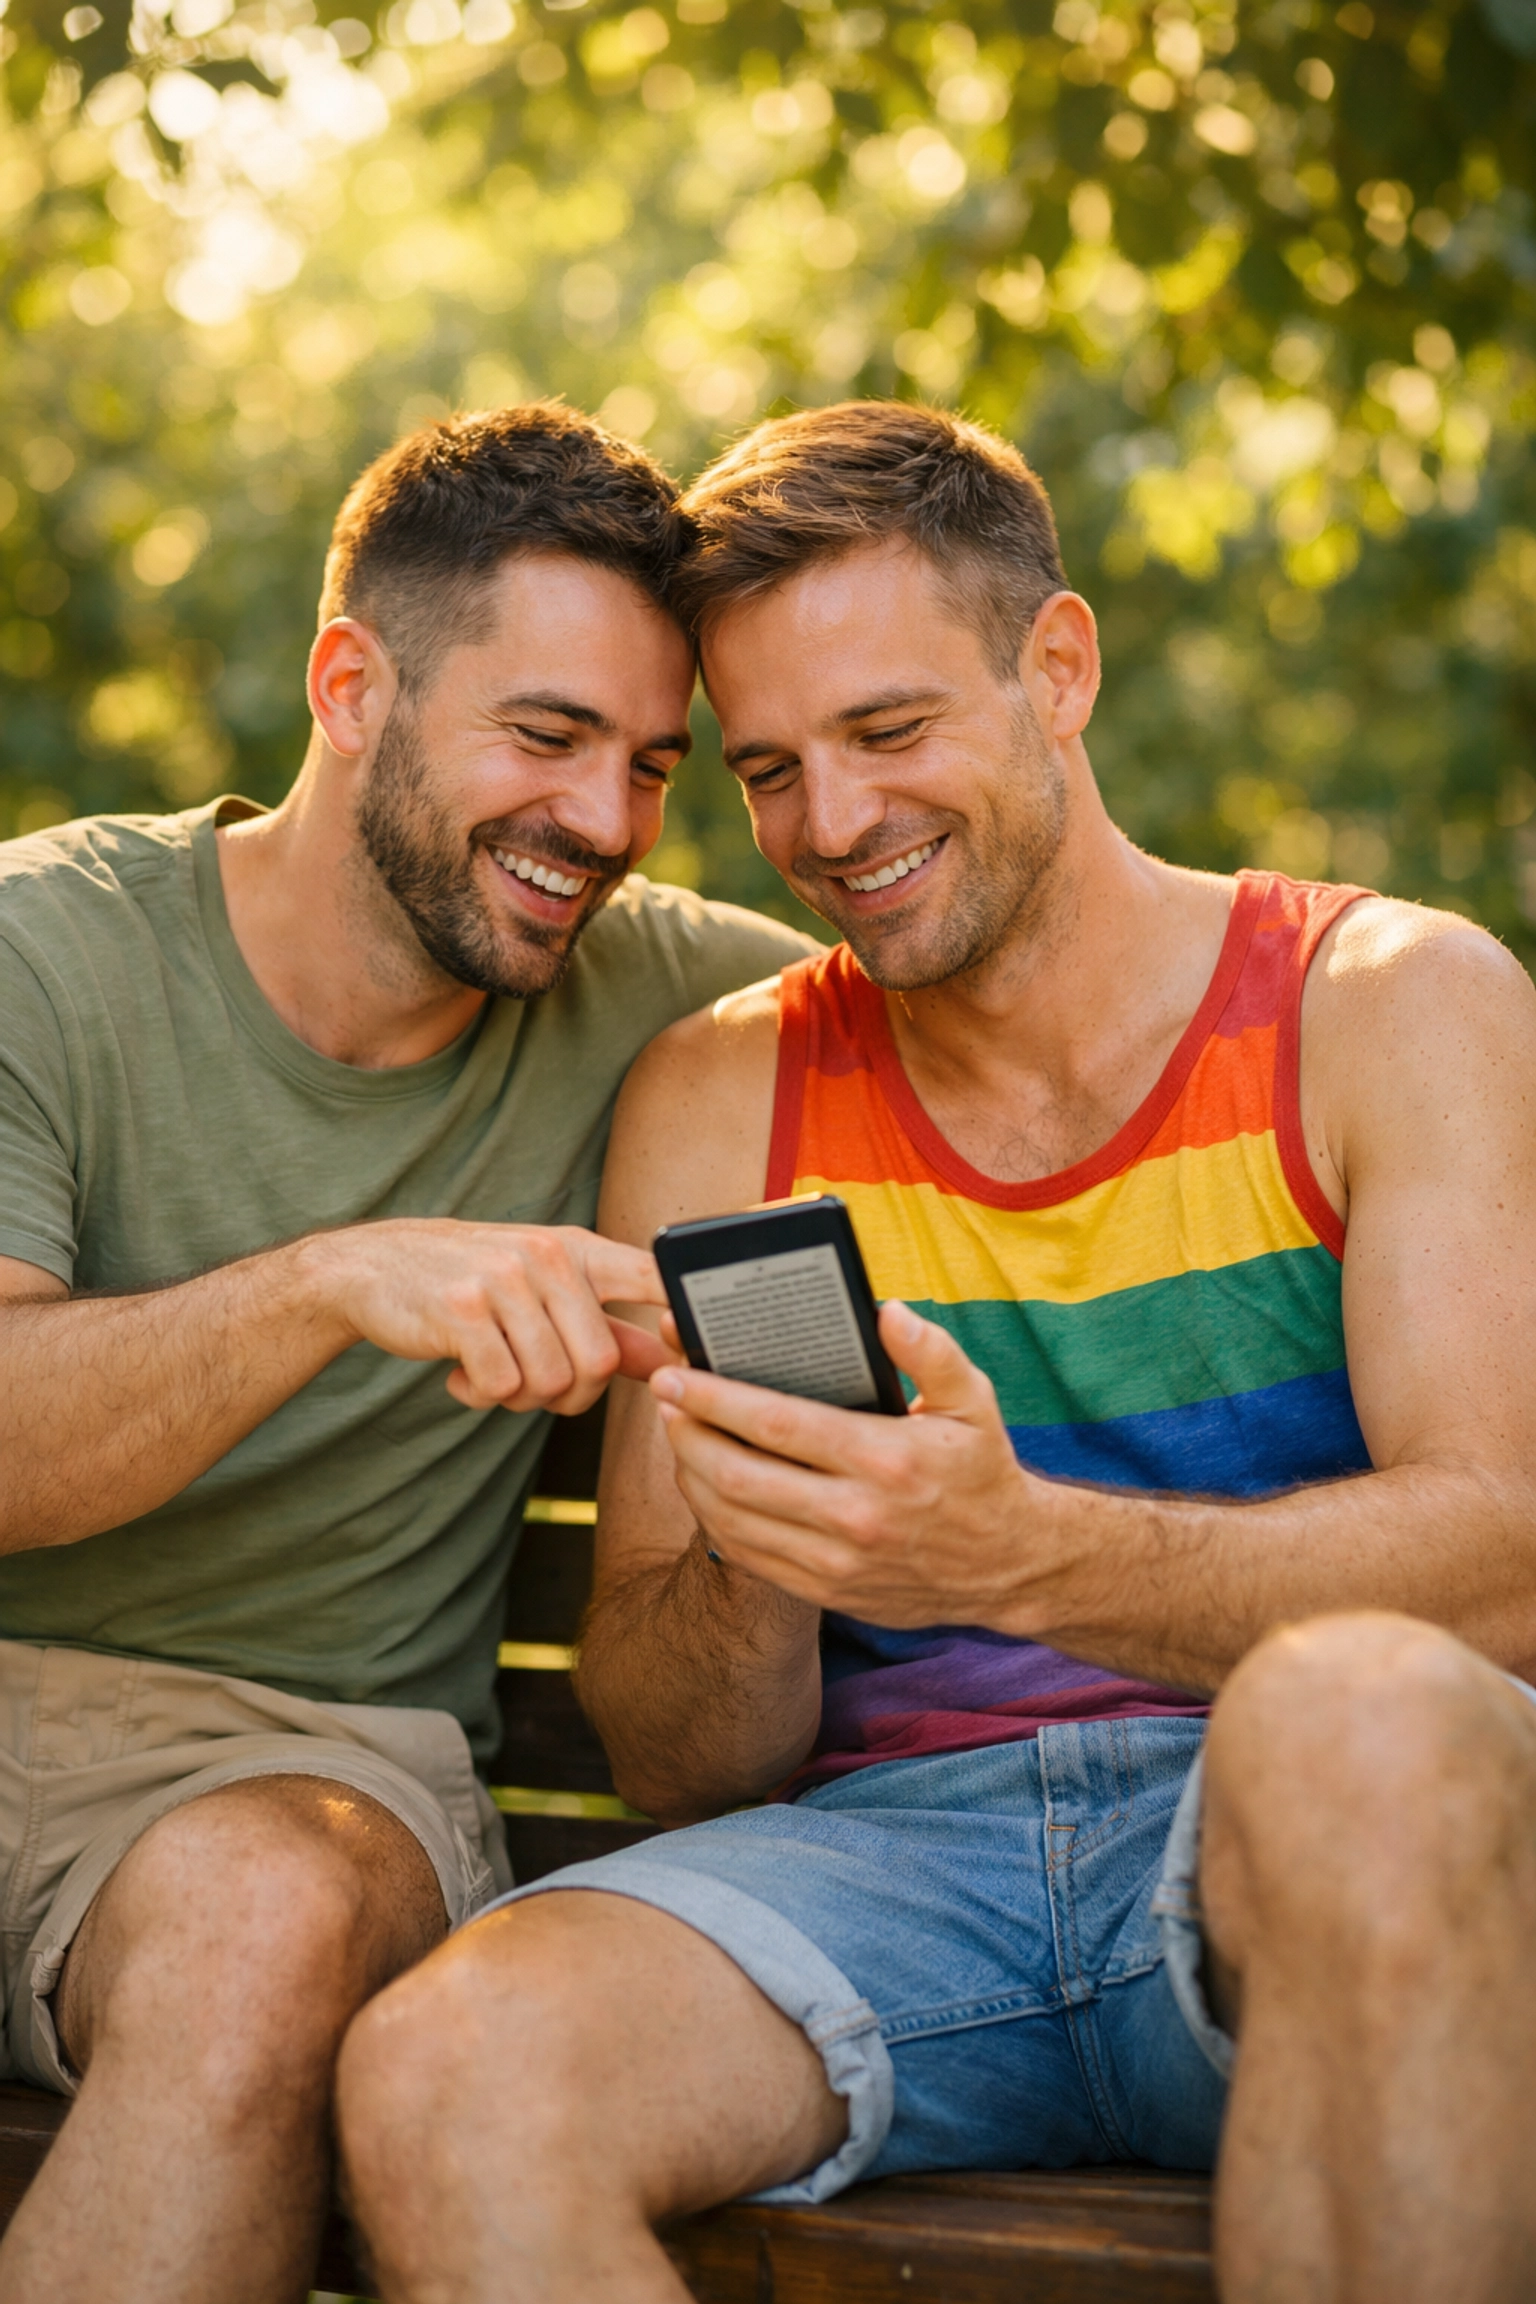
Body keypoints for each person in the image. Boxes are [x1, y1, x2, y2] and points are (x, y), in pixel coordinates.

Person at [337, 401, 1536, 2304]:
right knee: (445, 2065)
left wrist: (1010, 1550)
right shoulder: (723, 1090)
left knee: (1363, 1721)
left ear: (1056, 669)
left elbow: (1508, 1567)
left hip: (1295, 1846)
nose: (835, 826)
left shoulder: (1392, 1005)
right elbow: (677, 1764)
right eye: (770, 771)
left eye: (889, 733)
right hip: (890, 1876)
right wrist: (767, 1548)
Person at [0, 401, 812, 2304]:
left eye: (649, 767)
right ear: (350, 685)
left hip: (287, 1780)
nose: (601, 825)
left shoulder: (685, 999)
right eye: (544, 739)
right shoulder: (44, 955)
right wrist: (326, 1282)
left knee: (259, 1927)